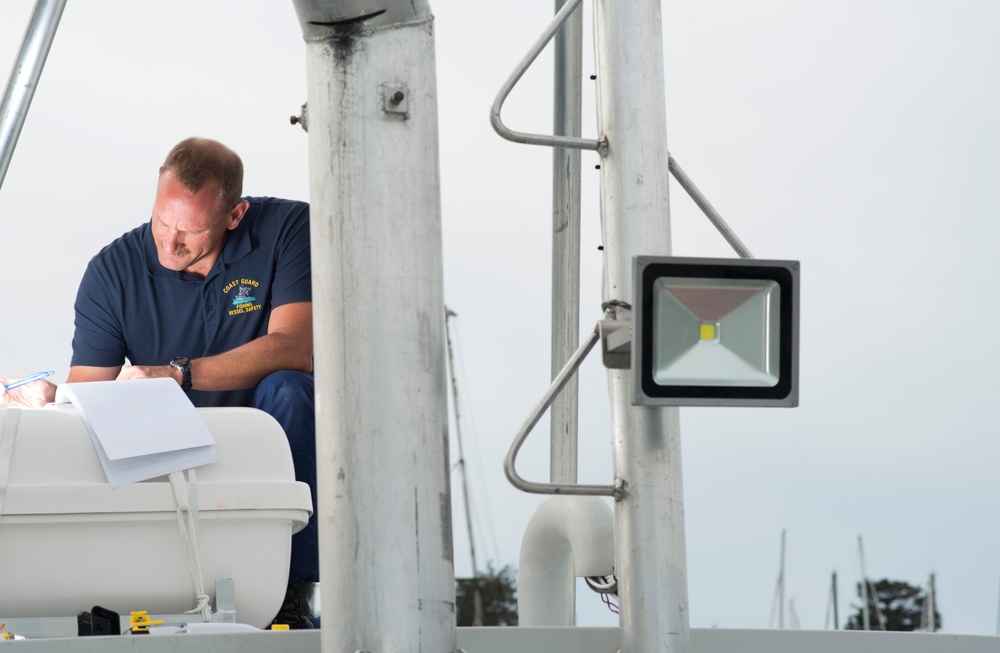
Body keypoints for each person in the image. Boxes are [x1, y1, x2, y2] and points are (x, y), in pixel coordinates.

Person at [1, 137, 318, 629]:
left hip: (271, 434)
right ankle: (102, 591)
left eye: (190, 231)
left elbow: (296, 347)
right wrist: (51, 400)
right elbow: (90, 391)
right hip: (169, 445)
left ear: (235, 216)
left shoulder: (290, 229)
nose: (169, 244)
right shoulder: (112, 272)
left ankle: (291, 596)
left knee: (290, 388)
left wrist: (177, 373)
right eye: (161, 223)